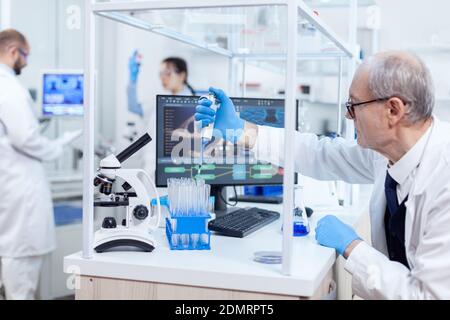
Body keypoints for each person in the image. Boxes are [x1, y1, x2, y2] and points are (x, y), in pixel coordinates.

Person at [194, 51, 450, 299]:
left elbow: (429, 295)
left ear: (393, 110)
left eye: (353, 105)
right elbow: (320, 154)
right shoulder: (387, 154)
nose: (348, 116)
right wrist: (241, 131)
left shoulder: (444, 178)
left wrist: (353, 248)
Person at [0, 29, 81, 300]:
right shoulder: (9, 87)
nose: (26, 61)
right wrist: (58, 146)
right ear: (13, 51)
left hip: (12, 187)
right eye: (25, 55)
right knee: (21, 274)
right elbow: (26, 137)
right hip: (19, 193)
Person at [126, 52, 196, 178]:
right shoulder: (159, 101)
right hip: (152, 168)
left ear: (182, 75)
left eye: (168, 73)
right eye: (161, 74)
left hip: (178, 171)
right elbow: (134, 107)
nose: (163, 78)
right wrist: (132, 79)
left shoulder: (194, 104)